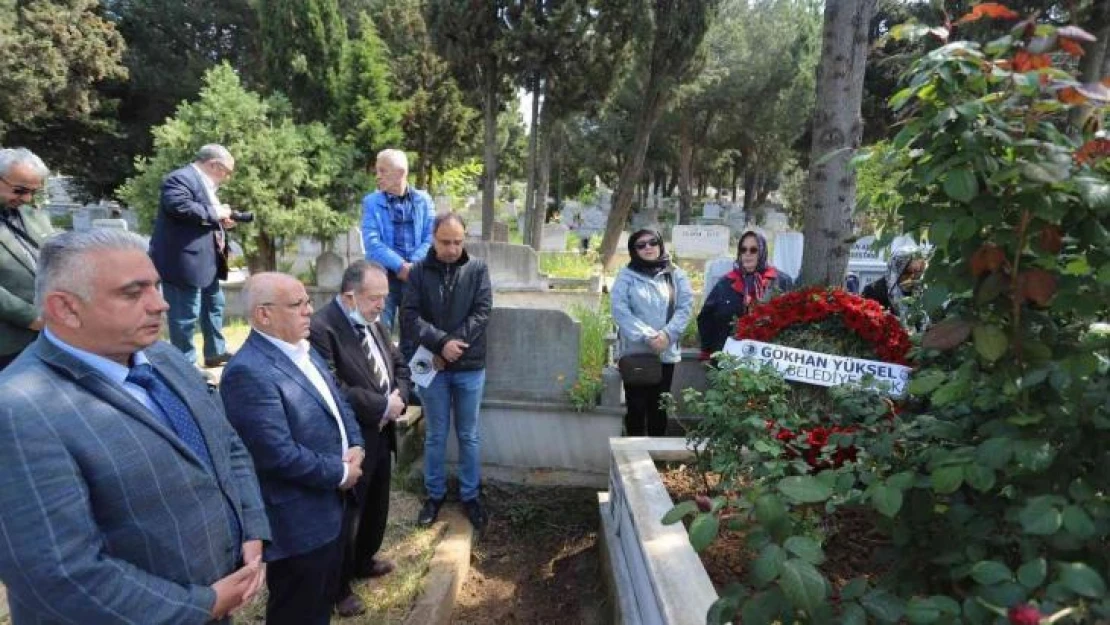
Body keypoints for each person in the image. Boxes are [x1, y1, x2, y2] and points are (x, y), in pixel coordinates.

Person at [0, 229, 271, 624]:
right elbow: (60, 577)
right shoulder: (19, 410)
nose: (160, 304)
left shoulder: (163, 358)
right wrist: (201, 605)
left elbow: (226, 444)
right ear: (66, 309)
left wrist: (252, 529)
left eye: (157, 286)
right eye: (133, 292)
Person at [220, 273, 365, 625]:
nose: (309, 311)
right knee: (298, 610)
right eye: (297, 304)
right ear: (263, 315)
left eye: (307, 302)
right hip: (298, 522)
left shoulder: (303, 347)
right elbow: (276, 454)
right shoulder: (247, 373)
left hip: (333, 506)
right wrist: (342, 472)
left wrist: (356, 443)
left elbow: (338, 403)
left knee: (319, 602)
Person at [310, 260, 411, 617]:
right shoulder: (323, 328)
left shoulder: (374, 322)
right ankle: (338, 587)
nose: (382, 305)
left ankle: (364, 560)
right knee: (348, 514)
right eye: (375, 298)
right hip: (353, 437)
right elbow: (332, 386)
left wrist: (398, 397)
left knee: (376, 503)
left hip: (383, 431)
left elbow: (398, 363)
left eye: (384, 298)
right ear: (350, 297)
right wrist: (381, 405)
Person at [401, 213, 492, 530]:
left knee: (469, 434)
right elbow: (410, 316)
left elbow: (482, 313)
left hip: (469, 366)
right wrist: (441, 345)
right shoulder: (418, 272)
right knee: (436, 435)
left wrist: (453, 347)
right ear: (433, 238)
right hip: (433, 367)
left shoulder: (478, 269)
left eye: (457, 241)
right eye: (445, 242)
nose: (452, 248)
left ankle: (470, 495)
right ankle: (434, 495)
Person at [149, 144, 237, 369]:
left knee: (214, 305)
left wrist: (222, 220)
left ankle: (215, 352)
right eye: (226, 172)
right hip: (182, 260)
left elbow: (201, 216)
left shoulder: (206, 185)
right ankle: (185, 365)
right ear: (214, 165)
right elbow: (178, 206)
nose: (227, 178)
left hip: (208, 258)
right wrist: (215, 213)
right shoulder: (179, 179)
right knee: (184, 314)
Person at [611, 229, 695, 437]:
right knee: (636, 408)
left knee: (659, 408)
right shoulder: (626, 276)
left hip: (665, 353)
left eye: (652, 242)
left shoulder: (676, 274)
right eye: (641, 245)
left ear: (660, 245)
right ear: (634, 250)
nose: (648, 247)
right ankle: (632, 457)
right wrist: (648, 335)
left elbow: (685, 307)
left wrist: (667, 335)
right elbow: (620, 310)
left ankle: (657, 456)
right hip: (636, 353)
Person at [361, 149, 436, 331]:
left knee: (416, 333)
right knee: (380, 332)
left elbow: (432, 235)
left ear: (401, 173)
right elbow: (372, 243)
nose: (377, 176)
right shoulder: (371, 202)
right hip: (383, 277)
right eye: (377, 171)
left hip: (416, 277)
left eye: (383, 171)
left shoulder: (424, 200)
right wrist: (400, 266)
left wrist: (413, 265)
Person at [698, 230, 794, 358]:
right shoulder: (725, 283)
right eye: (743, 249)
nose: (747, 254)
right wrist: (707, 351)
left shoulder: (781, 281)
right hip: (727, 360)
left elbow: (791, 319)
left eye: (753, 250)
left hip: (768, 361)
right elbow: (706, 318)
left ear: (762, 252)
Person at [0, 148, 52, 370]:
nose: (27, 199)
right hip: (7, 342)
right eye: (20, 190)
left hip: (45, 335)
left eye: (33, 192)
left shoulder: (31, 214)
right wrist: (31, 318)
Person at [862, 246, 928, 323]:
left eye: (919, 271)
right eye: (909, 271)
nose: (913, 276)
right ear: (898, 268)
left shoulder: (919, 291)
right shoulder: (874, 289)